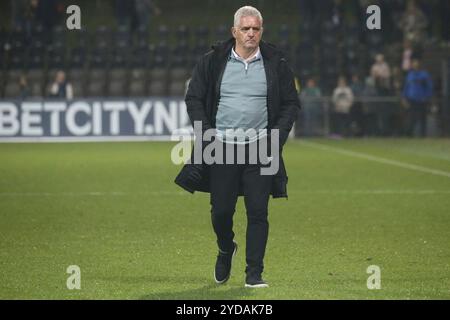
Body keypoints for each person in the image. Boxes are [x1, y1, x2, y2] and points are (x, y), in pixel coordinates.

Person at [175, 6, 300, 288]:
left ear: (261, 31)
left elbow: (291, 103)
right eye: (245, 29)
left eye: (255, 29)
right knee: (221, 211)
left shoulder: (276, 63)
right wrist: (205, 134)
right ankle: (225, 247)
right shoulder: (212, 62)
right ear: (234, 32)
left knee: (258, 212)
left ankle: (253, 274)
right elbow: (193, 99)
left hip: (261, 149)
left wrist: (276, 138)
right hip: (221, 147)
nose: (251, 34)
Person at [402, 58, 433, 137]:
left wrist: (427, 97)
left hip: (422, 99)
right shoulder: (410, 75)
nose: (415, 65)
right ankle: (409, 134)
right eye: (414, 63)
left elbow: (429, 87)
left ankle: (423, 134)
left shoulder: (424, 74)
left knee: (423, 118)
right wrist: (404, 98)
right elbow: (406, 87)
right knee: (412, 117)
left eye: (416, 63)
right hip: (412, 99)